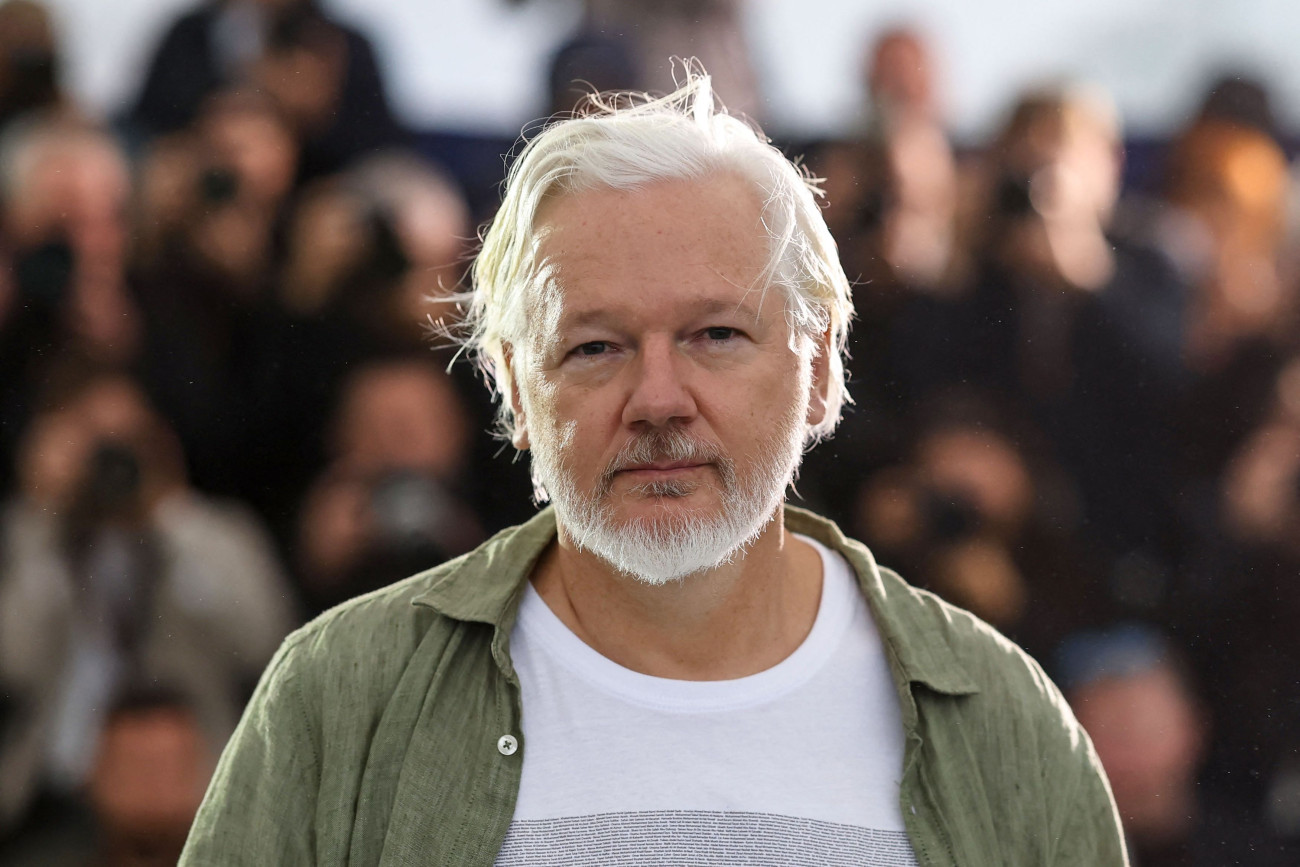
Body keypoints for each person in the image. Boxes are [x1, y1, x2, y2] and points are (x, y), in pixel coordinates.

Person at [180, 70, 1126, 865]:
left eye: (716, 334)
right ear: (513, 388)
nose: (659, 398)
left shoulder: (1002, 723)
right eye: (595, 346)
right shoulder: (342, 697)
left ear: (820, 367)